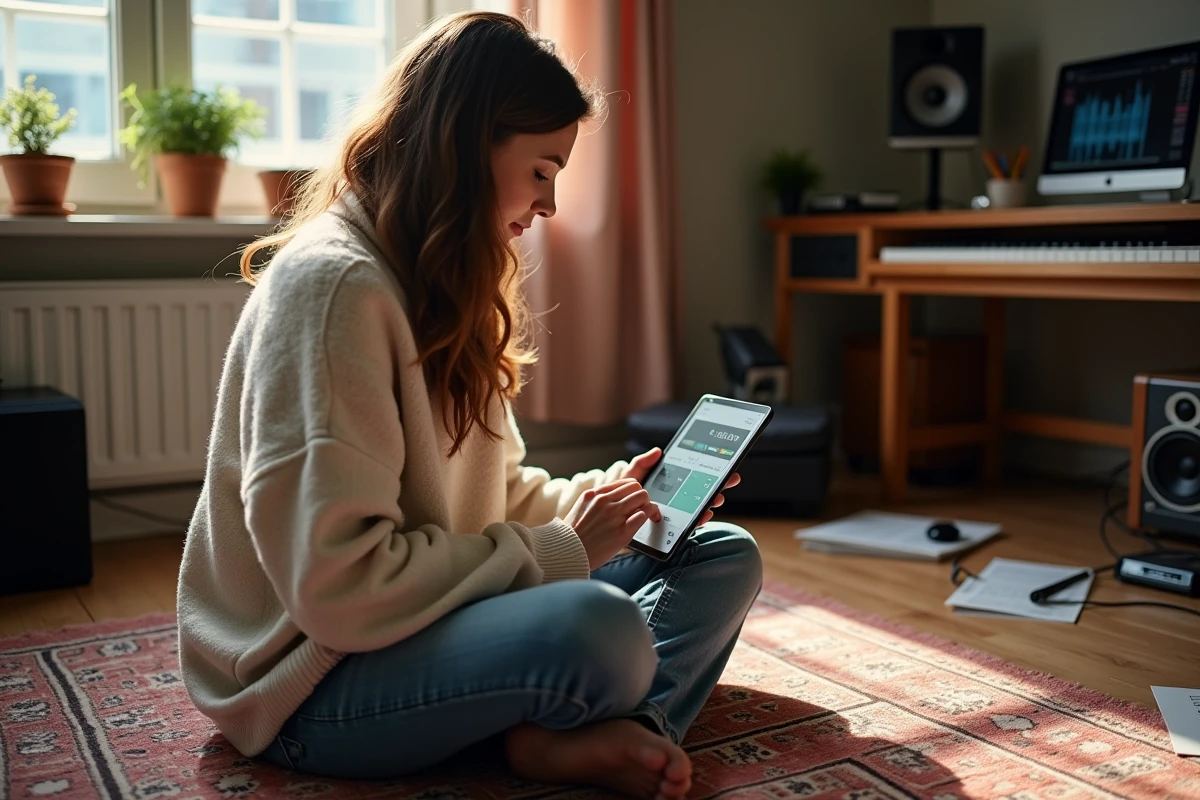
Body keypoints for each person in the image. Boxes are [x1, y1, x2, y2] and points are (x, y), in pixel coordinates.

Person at [176, 11, 762, 800]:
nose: (548, 205)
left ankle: (609, 730)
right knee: (602, 632)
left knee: (721, 552)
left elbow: (497, 498)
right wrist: (565, 549)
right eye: (541, 170)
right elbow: (340, 590)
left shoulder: (447, 284)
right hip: (313, 684)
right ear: (465, 147)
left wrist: (620, 499)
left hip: (418, 625)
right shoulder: (332, 289)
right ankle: (570, 722)